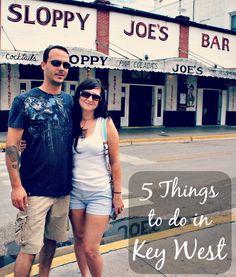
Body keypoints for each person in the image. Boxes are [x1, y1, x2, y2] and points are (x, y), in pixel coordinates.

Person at [5, 45, 73, 277]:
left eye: (66, 64)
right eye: (56, 63)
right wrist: (17, 186)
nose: (61, 68)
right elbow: (12, 146)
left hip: (63, 189)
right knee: (29, 248)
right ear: (43, 65)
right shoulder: (24, 101)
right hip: (34, 189)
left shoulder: (70, 102)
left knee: (52, 240)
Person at [69, 78, 124, 277]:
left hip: (99, 194)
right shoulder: (70, 120)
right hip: (74, 193)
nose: (90, 99)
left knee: (91, 248)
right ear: (79, 95)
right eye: (86, 94)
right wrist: (23, 143)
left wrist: (117, 194)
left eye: (96, 96)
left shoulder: (105, 123)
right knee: (79, 238)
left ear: (100, 101)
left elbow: (116, 162)